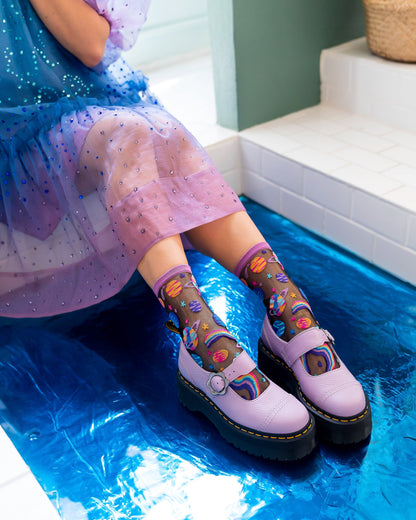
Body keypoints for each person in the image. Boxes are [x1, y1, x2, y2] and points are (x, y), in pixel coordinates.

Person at [0, 0, 371, 461]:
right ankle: (202, 339)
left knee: (158, 131)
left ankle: (286, 309)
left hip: (83, 105)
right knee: (124, 134)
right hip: (15, 136)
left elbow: (91, 45)